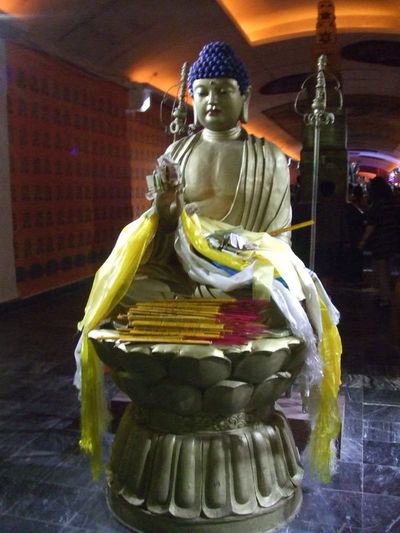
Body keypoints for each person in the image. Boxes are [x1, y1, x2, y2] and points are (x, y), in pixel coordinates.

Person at [76, 42, 341, 482]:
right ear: (192, 99)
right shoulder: (176, 155)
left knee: (279, 297)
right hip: (182, 270)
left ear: (244, 98)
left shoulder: (268, 156)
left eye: (222, 89)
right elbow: (161, 237)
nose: (212, 100)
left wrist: (239, 249)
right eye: (201, 91)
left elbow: (278, 237)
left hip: (246, 269)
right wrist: (165, 209)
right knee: (127, 289)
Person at [358, 176, 398, 307]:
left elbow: (372, 225)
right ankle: (385, 295)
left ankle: (384, 298)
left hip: (380, 241)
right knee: (386, 269)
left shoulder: (378, 205)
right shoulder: (390, 203)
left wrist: (363, 241)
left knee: (381, 269)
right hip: (390, 239)